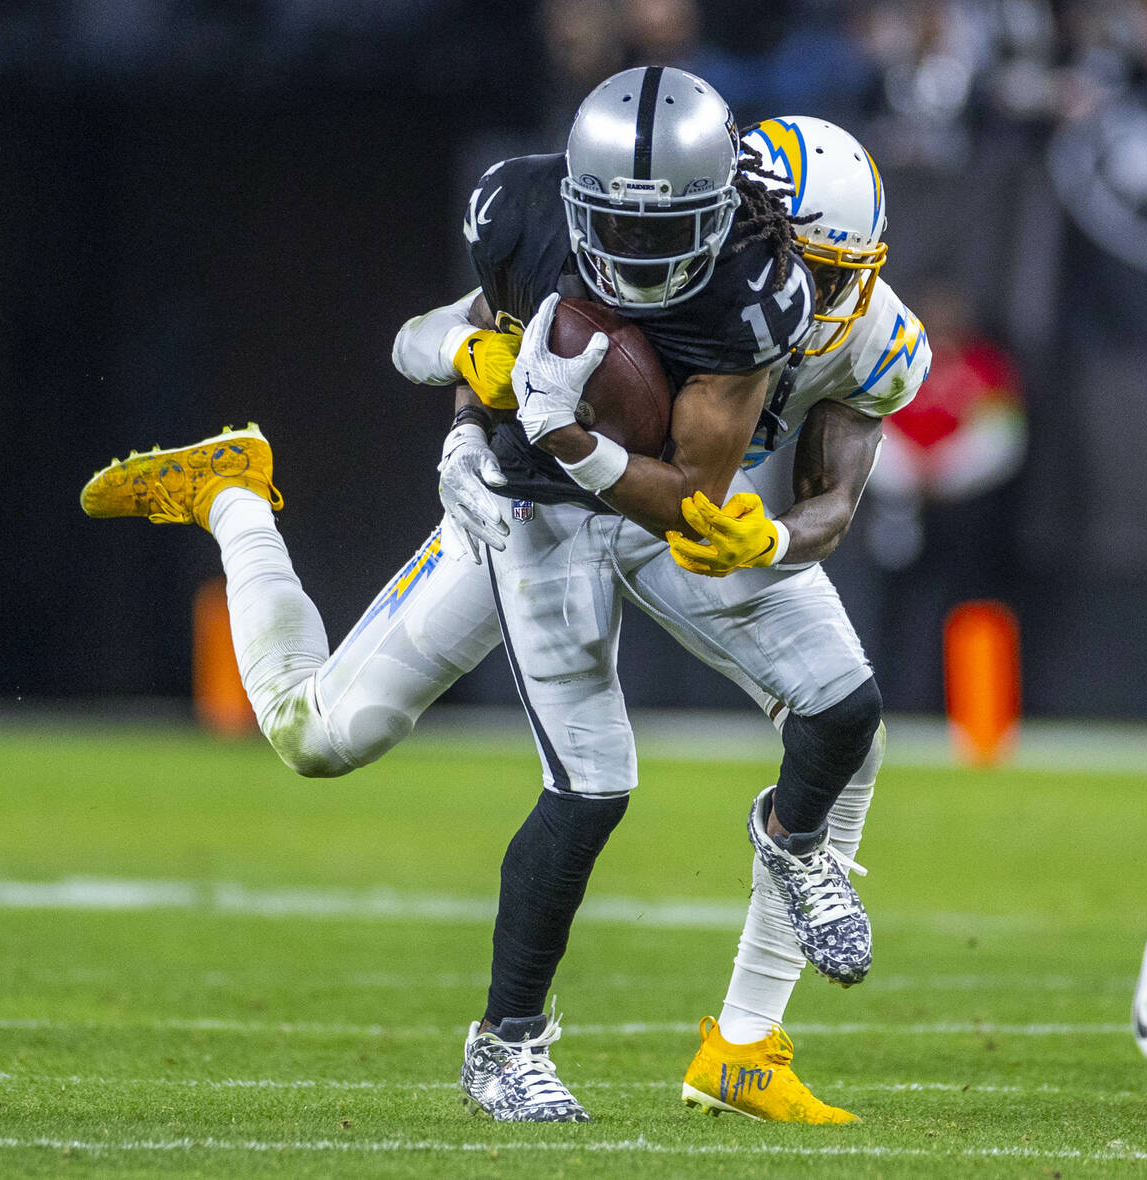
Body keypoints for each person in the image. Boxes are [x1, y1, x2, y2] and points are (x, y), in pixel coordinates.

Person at [80, 85, 929, 1124]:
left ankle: (745, 1038)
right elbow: (460, 335)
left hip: (673, 512)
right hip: (544, 506)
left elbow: (823, 494)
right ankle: (236, 499)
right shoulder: (612, 235)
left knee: (844, 712)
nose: (824, 292)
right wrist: (469, 430)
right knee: (319, 736)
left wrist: (780, 536)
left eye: (847, 272)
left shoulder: (806, 309)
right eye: (813, 263)